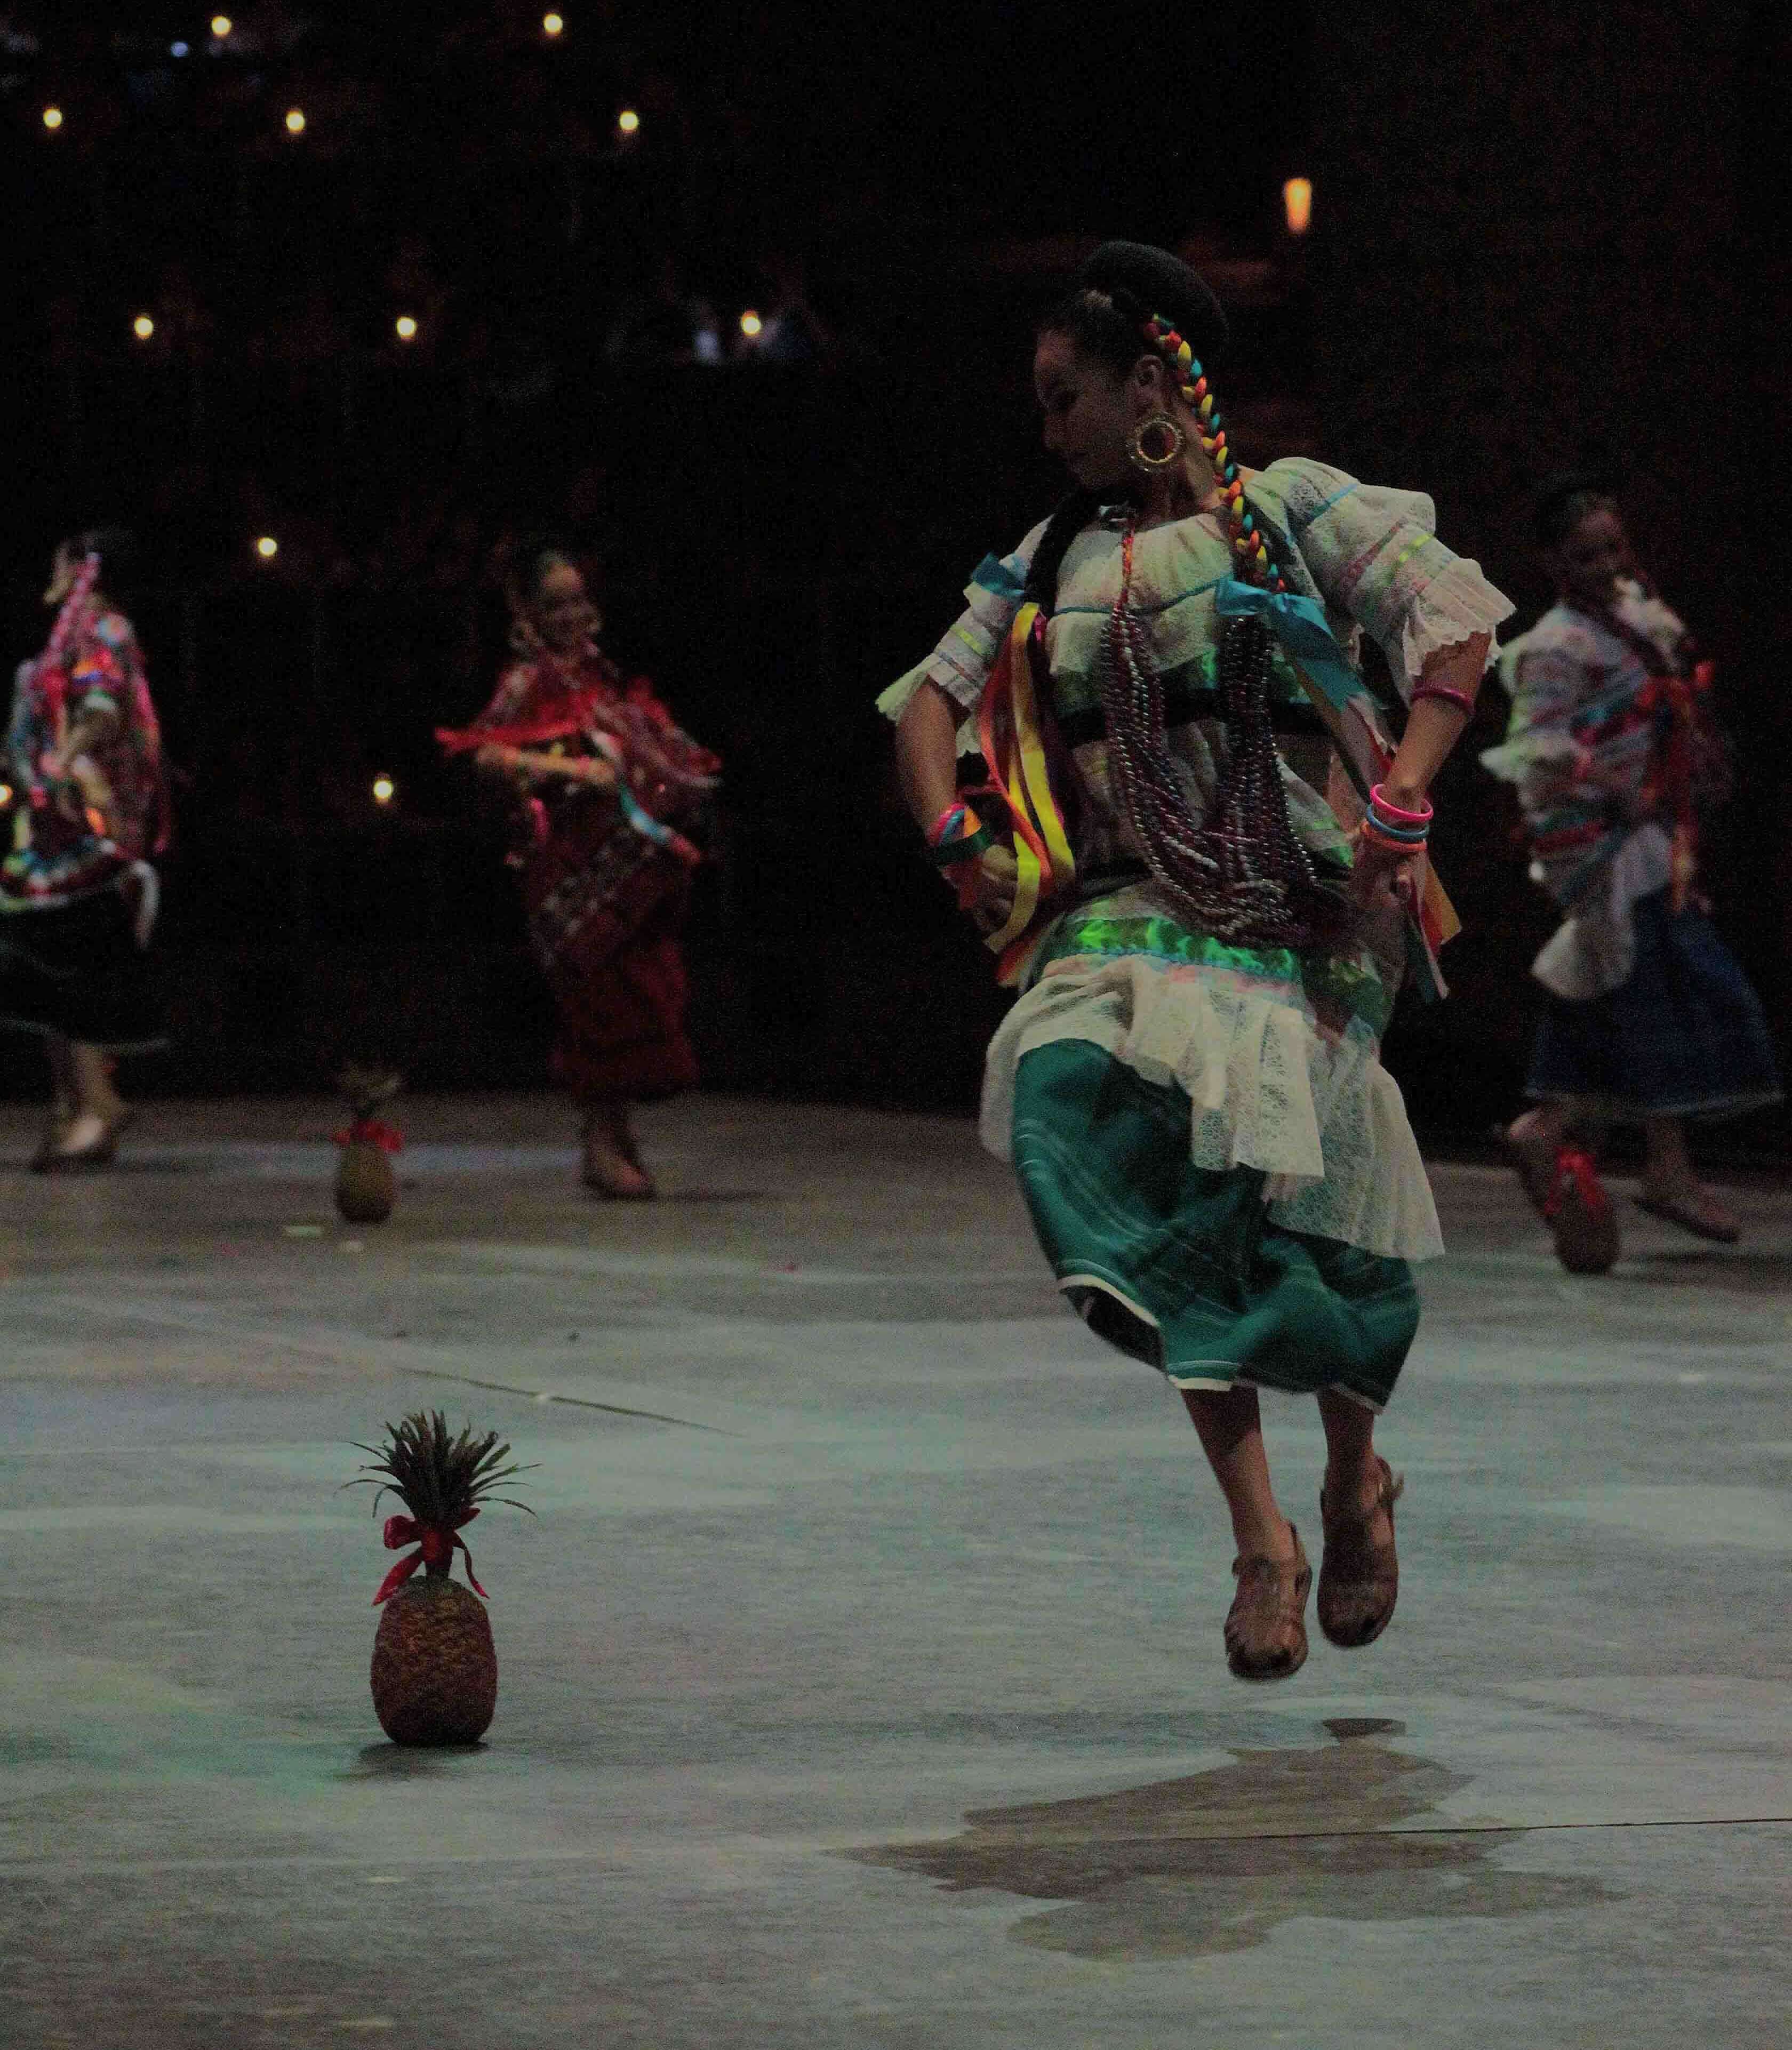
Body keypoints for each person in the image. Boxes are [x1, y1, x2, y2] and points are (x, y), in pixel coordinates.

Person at [882, 242, 1512, 1681]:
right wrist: (953, 835)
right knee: (1088, 1124)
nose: (1048, 432)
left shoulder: (1287, 510)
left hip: (1306, 913)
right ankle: (1261, 1540)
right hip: (1137, 910)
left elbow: (1455, 626)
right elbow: (926, 709)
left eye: (1065, 398)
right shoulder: (1052, 554)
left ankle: (1356, 1481)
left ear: (1151, 382)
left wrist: (1402, 804)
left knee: (1312, 1221)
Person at [1482, 476, 1780, 1268]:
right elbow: (1535, 755)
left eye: (1613, 547)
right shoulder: (1554, 647)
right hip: (1609, 846)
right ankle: (1646, 1160)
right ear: (1552, 562)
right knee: (1660, 982)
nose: (1606, 563)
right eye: (1585, 554)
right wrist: (1620, 793)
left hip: (1651, 839)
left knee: (1635, 994)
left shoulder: (1638, 623)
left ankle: (1574, 1138)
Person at [438, 540, 718, 1197]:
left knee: (644, 987)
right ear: (530, 613)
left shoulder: (601, 675)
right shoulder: (524, 682)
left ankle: (616, 1140)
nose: (570, 615)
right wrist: (573, 771)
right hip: (566, 863)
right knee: (597, 999)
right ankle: (599, 1141)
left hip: (621, 860)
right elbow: (482, 756)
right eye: (555, 604)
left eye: (577, 600)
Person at [1, 527, 167, 1170]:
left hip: (91, 828)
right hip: (57, 831)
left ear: (82, 568)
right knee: (46, 966)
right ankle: (74, 1106)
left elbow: (102, 710)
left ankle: (97, 1103)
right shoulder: (72, 637)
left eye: (60, 559)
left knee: (70, 965)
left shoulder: (105, 632)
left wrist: (64, 760)